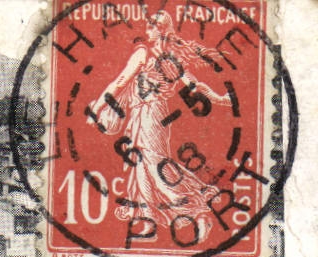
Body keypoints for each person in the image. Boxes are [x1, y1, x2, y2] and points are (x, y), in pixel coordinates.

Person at [88, 11, 232, 236]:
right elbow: (195, 86)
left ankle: (197, 210)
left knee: (154, 166)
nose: (147, 28)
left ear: (161, 29)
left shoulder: (143, 54)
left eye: (152, 25)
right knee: (142, 166)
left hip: (148, 114)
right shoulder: (170, 60)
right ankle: (148, 221)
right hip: (153, 115)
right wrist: (219, 99)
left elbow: (121, 81)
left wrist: (97, 108)